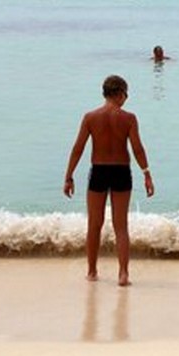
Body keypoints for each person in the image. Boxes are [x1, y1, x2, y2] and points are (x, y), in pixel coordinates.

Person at [64, 75, 155, 286]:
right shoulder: (129, 119)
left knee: (94, 224)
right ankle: (123, 274)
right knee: (120, 226)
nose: (127, 98)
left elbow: (78, 148)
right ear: (119, 92)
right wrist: (147, 174)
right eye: (126, 93)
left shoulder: (90, 117)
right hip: (122, 171)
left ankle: (92, 271)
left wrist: (69, 176)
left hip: (99, 171)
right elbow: (138, 148)